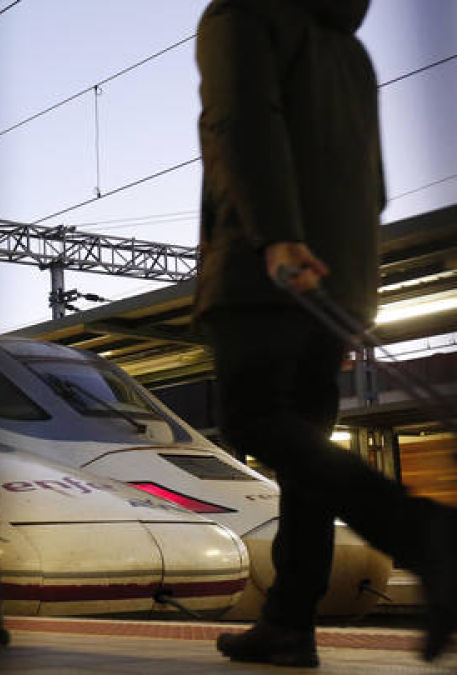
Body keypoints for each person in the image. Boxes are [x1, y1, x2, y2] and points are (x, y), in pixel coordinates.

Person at [195, 0, 456, 666]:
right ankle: (290, 620)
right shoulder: (348, 47)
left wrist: (276, 234)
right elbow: (373, 181)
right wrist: (353, 296)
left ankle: (426, 534)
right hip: (338, 273)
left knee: (253, 420)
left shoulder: (242, 15)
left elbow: (241, 122)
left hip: (267, 262)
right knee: (302, 447)